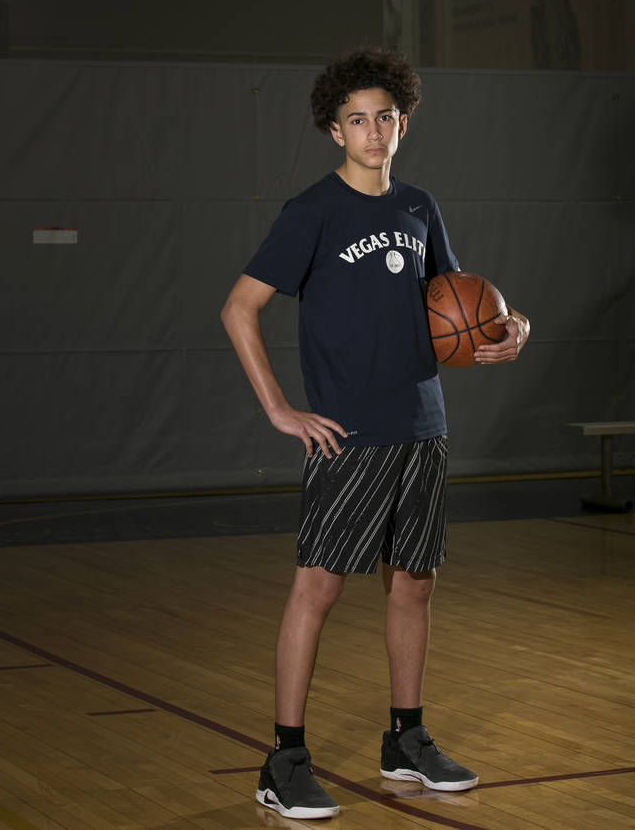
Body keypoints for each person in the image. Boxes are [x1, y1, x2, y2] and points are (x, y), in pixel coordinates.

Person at [220, 48, 530, 820]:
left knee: (415, 586)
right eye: (356, 119)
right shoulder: (312, 213)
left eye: (384, 117)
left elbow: (460, 305)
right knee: (318, 589)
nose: (372, 131)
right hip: (348, 436)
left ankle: (407, 739)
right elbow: (238, 308)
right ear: (335, 130)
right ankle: (284, 757)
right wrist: (279, 410)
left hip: (422, 425)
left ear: (403, 121)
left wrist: (512, 325)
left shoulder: (420, 208)